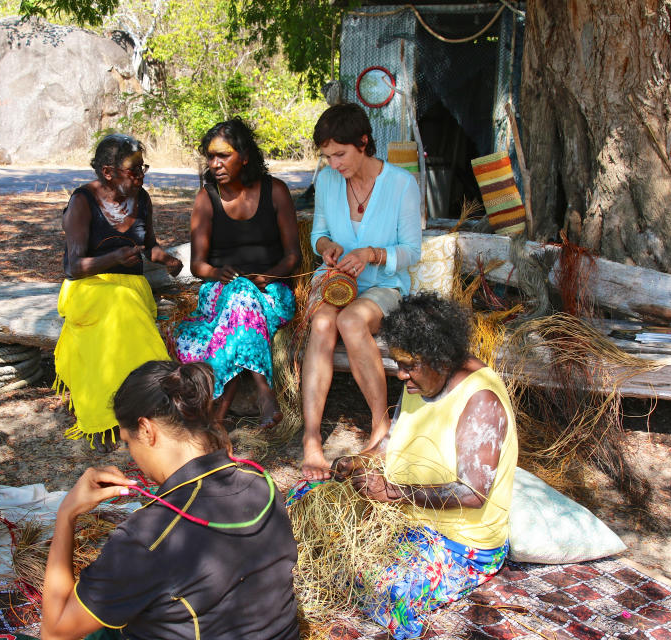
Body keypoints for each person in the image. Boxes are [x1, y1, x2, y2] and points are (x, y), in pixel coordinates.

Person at [40, 360, 300, 640]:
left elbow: (54, 632)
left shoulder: (148, 537)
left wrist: (66, 515)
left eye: (128, 442)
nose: (132, 456)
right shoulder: (263, 486)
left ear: (147, 430)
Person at [332, 293, 517, 640]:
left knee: (384, 591)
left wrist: (395, 493)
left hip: (462, 545)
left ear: (440, 357)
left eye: (407, 365)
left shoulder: (480, 400)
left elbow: (472, 493)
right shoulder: (422, 380)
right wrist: (361, 460)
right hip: (411, 525)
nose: (400, 375)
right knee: (320, 539)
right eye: (397, 364)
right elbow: (391, 442)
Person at [301, 103, 422, 480]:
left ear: (363, 142)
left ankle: (380, 429)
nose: (334, 163)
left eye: (340, 154)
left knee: (352, 322)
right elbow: (318, 233)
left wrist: (371, 254)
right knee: (323, 325)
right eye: (327, 156)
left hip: (384, 285)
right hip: (335, 280)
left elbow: (411, 252)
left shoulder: (401, 183)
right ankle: (311, 441)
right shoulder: (327, 181)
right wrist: (327, 249)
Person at [55, 134, 184, 453]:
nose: (141, 176)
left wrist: (167, 260)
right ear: (108, 172)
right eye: (134, 169)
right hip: (88, 287)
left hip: (129, 289)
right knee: (121, 309)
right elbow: (72, 266)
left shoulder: (142, 199)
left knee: (127, 305)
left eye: (144, 168)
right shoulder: (82, 202)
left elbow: (148, 244)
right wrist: (111, 259)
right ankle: (114, 414)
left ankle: (141, 405)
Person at [174, 118, 301, 428]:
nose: (215, 163)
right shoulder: (207, 197)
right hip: (220, 294)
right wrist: (217, 273)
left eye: (224, 155)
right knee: (240, 295)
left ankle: (217, 412)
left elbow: (293, 257)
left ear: (244, 156)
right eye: (211, 156)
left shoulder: (276, 191)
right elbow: (198, 266)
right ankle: (263, 392)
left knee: (243, 301)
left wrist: (268, 277)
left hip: (270, 295)